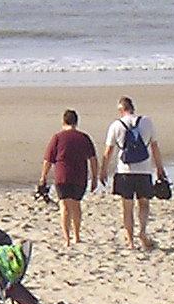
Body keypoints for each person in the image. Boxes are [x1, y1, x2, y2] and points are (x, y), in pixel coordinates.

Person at [102, 97, 164, 250]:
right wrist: (159, 169)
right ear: (132, 108)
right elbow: (154, 147)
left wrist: (103, 170)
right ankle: (142, 231)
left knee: (127, 207)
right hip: (144, 170)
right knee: (144, 203)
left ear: (121, 110)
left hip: (125, 171)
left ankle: (130, 241)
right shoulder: (147, 122)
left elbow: (108, 151)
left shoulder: (116, 125)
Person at [38, 110, 100, 244]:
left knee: (64, 207)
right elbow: (93, 159)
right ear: (76, 122)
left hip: (62, 176)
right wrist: (95, 177)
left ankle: (67, 239)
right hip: (79, 177)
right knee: (76, 205)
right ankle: (77, 236)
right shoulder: (84, 137)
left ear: (63, 121)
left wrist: (43, 177)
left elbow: (48, 159)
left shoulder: (58, 137)